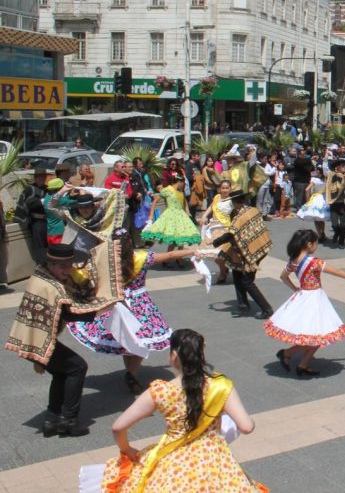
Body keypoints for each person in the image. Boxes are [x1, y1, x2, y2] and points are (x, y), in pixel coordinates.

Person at [98, 329, 263, 492]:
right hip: (215, 461)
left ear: (174, 355)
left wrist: (126, 449)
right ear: (201, 353)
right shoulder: (221, 386)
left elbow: (118, 427)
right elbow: (247, 427)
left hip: (172, 460)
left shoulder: (161, 391)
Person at [5, 242, 122, 437]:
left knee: (62, 373)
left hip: (31, 338)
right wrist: (104, 306)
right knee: (78, 367)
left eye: (69, 265)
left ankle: (51, 419)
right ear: (50, 264)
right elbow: (71, 313)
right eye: (62, 266)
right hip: (37, 342)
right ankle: (69, 420)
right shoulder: (51, 287)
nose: (67, 270)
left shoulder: (41, 275)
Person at [67, 230, 194, 394]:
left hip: (115, 304)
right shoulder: (141, 257)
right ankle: (131, 373)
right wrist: (193, 251)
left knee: (124, 339)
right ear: (130, 242)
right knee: (139, 340)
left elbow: (82, 275)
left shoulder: (105, 259)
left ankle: (130, 372)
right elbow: (170, 255)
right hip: (140, 306)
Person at [265, 230, 345, 376]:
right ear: (309, 244)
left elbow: (283, 276)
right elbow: (336, 271)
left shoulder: (293, 261)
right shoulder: (314, 262)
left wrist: (295, 289)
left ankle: (302, 363)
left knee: (316, 335)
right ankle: (287, 353)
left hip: (304, 296)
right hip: (314, 299)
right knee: (317, 334)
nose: (317, 246)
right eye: (316, 243)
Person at [211, 191, 275, 319]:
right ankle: (243, 302)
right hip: (257, 247)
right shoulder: (252, 210)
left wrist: (214, 242)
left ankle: (267, 309)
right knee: (236, 270)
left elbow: (230, 234)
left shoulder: (241, 216)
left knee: (247, 281)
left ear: (234, 202)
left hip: (252, 252)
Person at [142, 173, 201, 248]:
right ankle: (172, 254)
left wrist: (187, 211)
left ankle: (178, 254)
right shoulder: (168, 190)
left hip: (181, 216)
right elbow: (155, 201)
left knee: (181, 238)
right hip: (171, 216)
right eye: (184, 184)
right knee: (173, 238)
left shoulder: (180, 192)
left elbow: (184, 202)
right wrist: (150, 216)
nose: (184, 186)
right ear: (179, 182)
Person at [198, 180, 233, 285]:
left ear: (230, 189)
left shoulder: (232, 200)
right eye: (223, 188)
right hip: (213, 229)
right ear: (219, 189)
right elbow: (211, 207)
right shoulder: (217, 197)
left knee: (220, 255)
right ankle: (223, 270)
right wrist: (204, 215)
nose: (225, 190)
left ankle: (223, 272)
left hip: (224, 229)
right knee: (214, 255)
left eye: (227, 188)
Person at [15, 167, 49, 263]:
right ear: (35, 178)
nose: (41, 178)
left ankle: (49, 267)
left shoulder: (47, 189)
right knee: (40, 248)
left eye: (43, 176)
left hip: (48, 222)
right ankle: (41, 266)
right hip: (37, 223)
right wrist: (41, 201)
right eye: (39, 177)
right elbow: (28, 204)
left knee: (48, 248)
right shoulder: (30, 189)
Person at [296, 168, 330, 241]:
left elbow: (307, 189)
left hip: (316, 198)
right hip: (324, 198)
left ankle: (320, 235)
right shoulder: (326, 179)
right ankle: (322, 234)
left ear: (318, 172)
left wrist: (308, 200)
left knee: (316, 218)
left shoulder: (314, 180)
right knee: (321, 217)